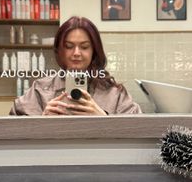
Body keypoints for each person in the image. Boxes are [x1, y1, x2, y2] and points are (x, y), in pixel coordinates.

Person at [9, 16, 141, 116]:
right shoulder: (40, 89)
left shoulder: (114, 93)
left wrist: (103, 119)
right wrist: (41, 122)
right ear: (59, 51)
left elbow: (137, 129)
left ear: (94, 51)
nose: (76, 53)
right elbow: (11, 130)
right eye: (69, 46)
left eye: (84, 47)